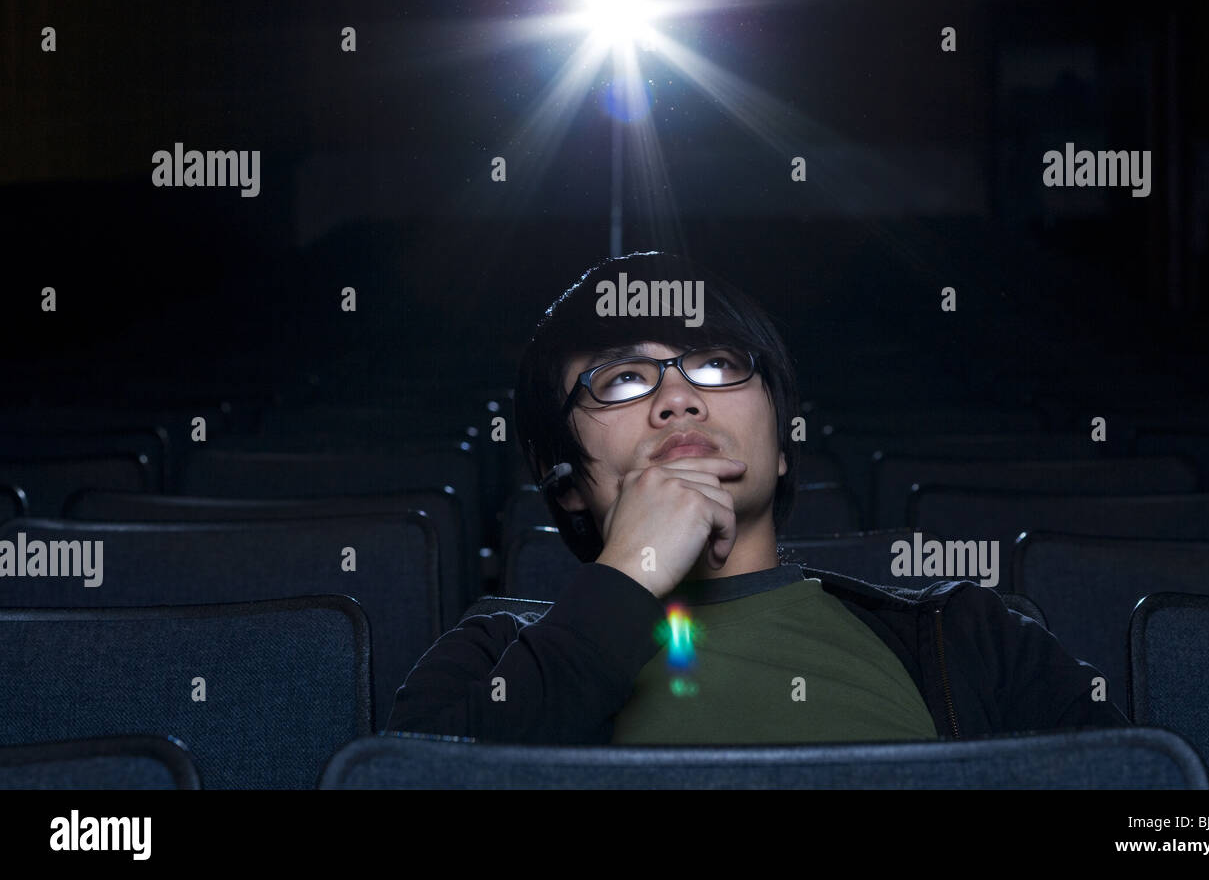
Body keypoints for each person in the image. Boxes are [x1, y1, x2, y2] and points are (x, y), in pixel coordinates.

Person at [387, 251, 1128, 743]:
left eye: (715, 364)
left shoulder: (968, 635)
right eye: (620, 378)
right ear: (567, 482)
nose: (677, 397)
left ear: (779, 448)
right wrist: (633, 572)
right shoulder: (487, 659)